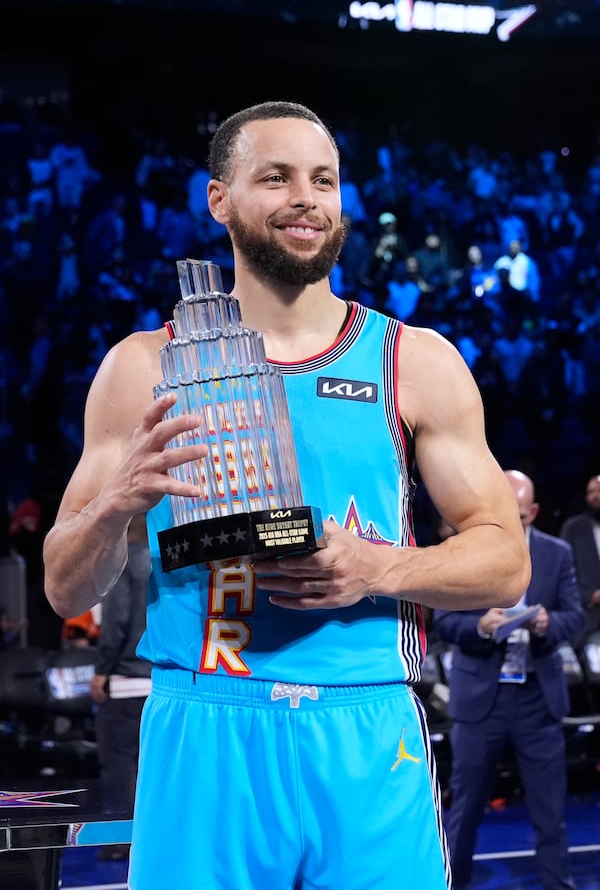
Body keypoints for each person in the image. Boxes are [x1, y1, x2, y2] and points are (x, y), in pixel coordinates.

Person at [43, 101, 530, 890]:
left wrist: (379, 568)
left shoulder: (416, 360)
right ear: (220, 200)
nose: (306, 197)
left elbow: (506, 562)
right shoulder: (143, 366)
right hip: (205, 718)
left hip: (368, 723)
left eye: (324, 180)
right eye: (276, 178)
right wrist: (116, 504)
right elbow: (65, 585)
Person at [433, 469, 584, 890]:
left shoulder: (557, 553)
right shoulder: (463, 549)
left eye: (517, 516)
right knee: (464, 811)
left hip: (538, 699)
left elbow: (575, 615)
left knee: (550, 812)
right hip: (481, 700)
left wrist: (547, 624)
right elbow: (443, 621)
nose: (508, 522)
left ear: (533, 512)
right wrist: (481, 627)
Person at [90, 515, 152, 862]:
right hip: (165, 684)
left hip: (127, 680)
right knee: (154, 766)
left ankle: (122, 838)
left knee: (119, 763)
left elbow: (117, 620)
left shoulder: (125, 562)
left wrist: (102, 669)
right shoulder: (170, 560)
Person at [560, 474, 600, 647]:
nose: (595, 496)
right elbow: (561, 575)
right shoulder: (573, 528)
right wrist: (591, 596)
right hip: (585, 620)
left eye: (599, 491)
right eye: (591, 492)